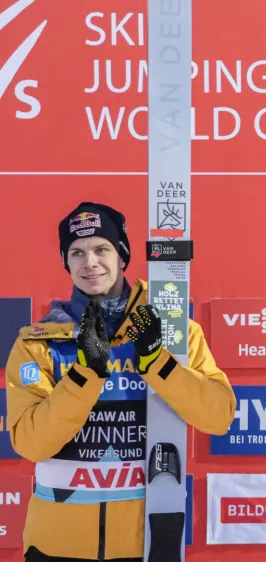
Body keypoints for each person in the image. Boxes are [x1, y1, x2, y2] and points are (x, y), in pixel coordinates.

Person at [4, 202, 237, 562]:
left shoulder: (176, 334)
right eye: (76, 252)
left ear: (122, 256)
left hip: (146, 543)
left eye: (102, 249)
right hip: (58, 546)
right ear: (66, 262)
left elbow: (218, 416)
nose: (89, 262)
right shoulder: (39, 342)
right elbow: (32, 444)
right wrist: (85, 375)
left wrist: (157, 362)